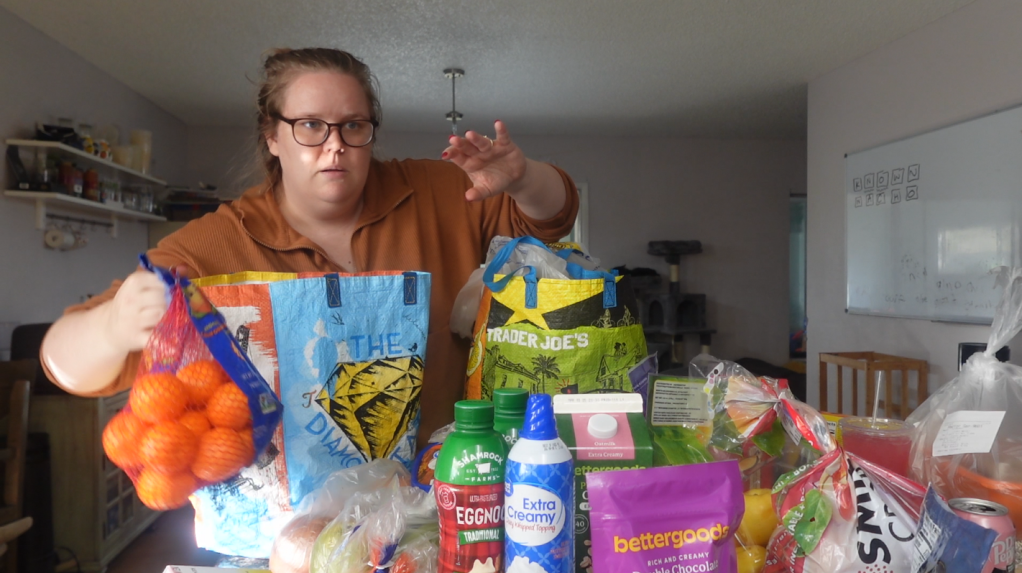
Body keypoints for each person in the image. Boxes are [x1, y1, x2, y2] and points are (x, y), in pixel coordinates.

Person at [41, 47, 578, 448]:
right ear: (272, 137)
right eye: (311, 126)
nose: (335, 145)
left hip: (447, 497)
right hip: (289, 527)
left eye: (353, 126)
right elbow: (64, 364)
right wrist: (111, 327)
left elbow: (552, 218)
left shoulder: (440, 191)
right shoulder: (213, 244)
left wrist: (523, 177)